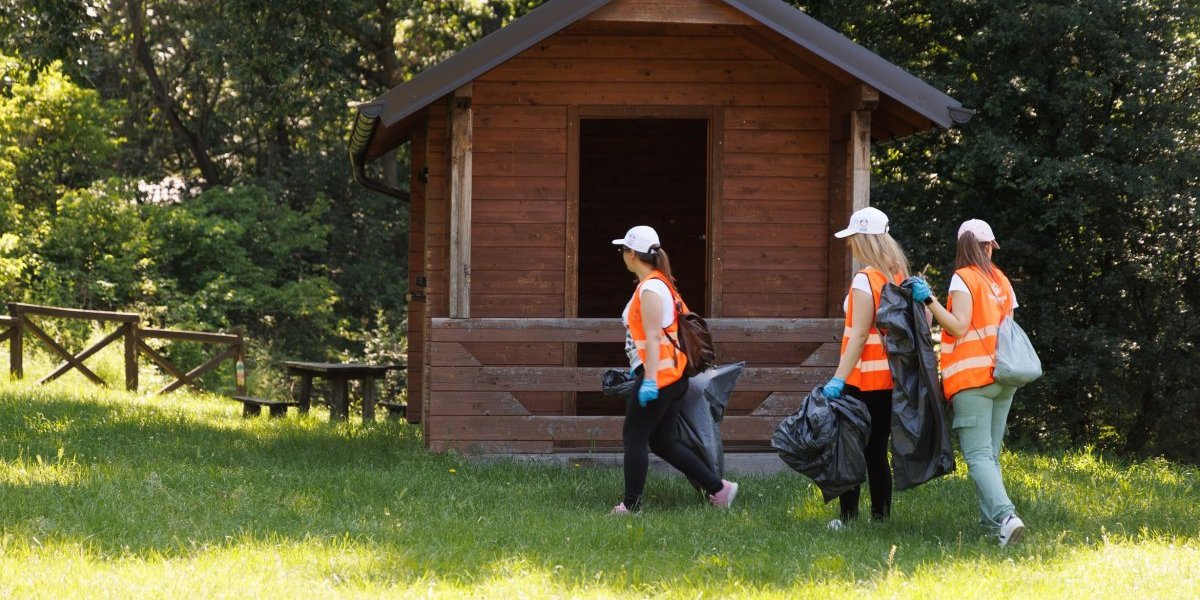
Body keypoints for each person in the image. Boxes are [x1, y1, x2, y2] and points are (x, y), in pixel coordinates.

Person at [910, 218, 1027, 547]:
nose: (990, 251)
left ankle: (1006, 516)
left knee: (977, 456)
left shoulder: (964, 278)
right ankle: (994, 525)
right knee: (990, 455)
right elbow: (1007, 332)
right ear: (986, 246)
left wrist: (929, 300)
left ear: (962, 246)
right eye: (989, 246)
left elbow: (958, 326)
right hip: (1004, 378)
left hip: (973, 380)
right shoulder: (1002, 280)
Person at [609, 225, 738, 514]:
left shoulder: (651, 289)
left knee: (634, 437)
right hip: (670, 376)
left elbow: (655, 336)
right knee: (662, 442)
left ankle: (630, 505)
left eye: (623, 250)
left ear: (632, 254)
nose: (622, 255)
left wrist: (649, 380)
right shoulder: (658, 284)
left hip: (661, 377)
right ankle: (719, 489)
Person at [821, 206, 910, 529]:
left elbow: (858, 336)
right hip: (889, 380)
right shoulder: (898, 276)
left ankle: (847, 519)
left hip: (859, 380)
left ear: (863, 239)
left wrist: (837, 378)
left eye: (853, 238)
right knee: (876, 451)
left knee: (850, 450)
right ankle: (880, 519)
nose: (849, 245)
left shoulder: (864, 280)